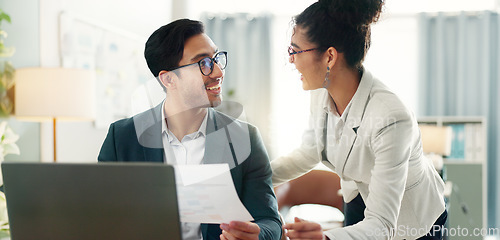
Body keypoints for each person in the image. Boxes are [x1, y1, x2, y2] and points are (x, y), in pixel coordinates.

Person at [270, 0, 447, 239]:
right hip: (357, 198)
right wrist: (254, 176)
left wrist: (325, 237)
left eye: (295, 51)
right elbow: (310, 152)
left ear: (329, 57)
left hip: (410, 219)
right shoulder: (321, 91)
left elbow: (383, 224)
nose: (291, 60)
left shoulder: (391, 117)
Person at [98, 19, 282, 240]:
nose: (217, 72)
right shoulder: (122, 137)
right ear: (169, 79)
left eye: (216, 59)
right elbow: (103, 216)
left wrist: (256, 235)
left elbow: (269, 220)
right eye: (203, 63)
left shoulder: (244, 138)